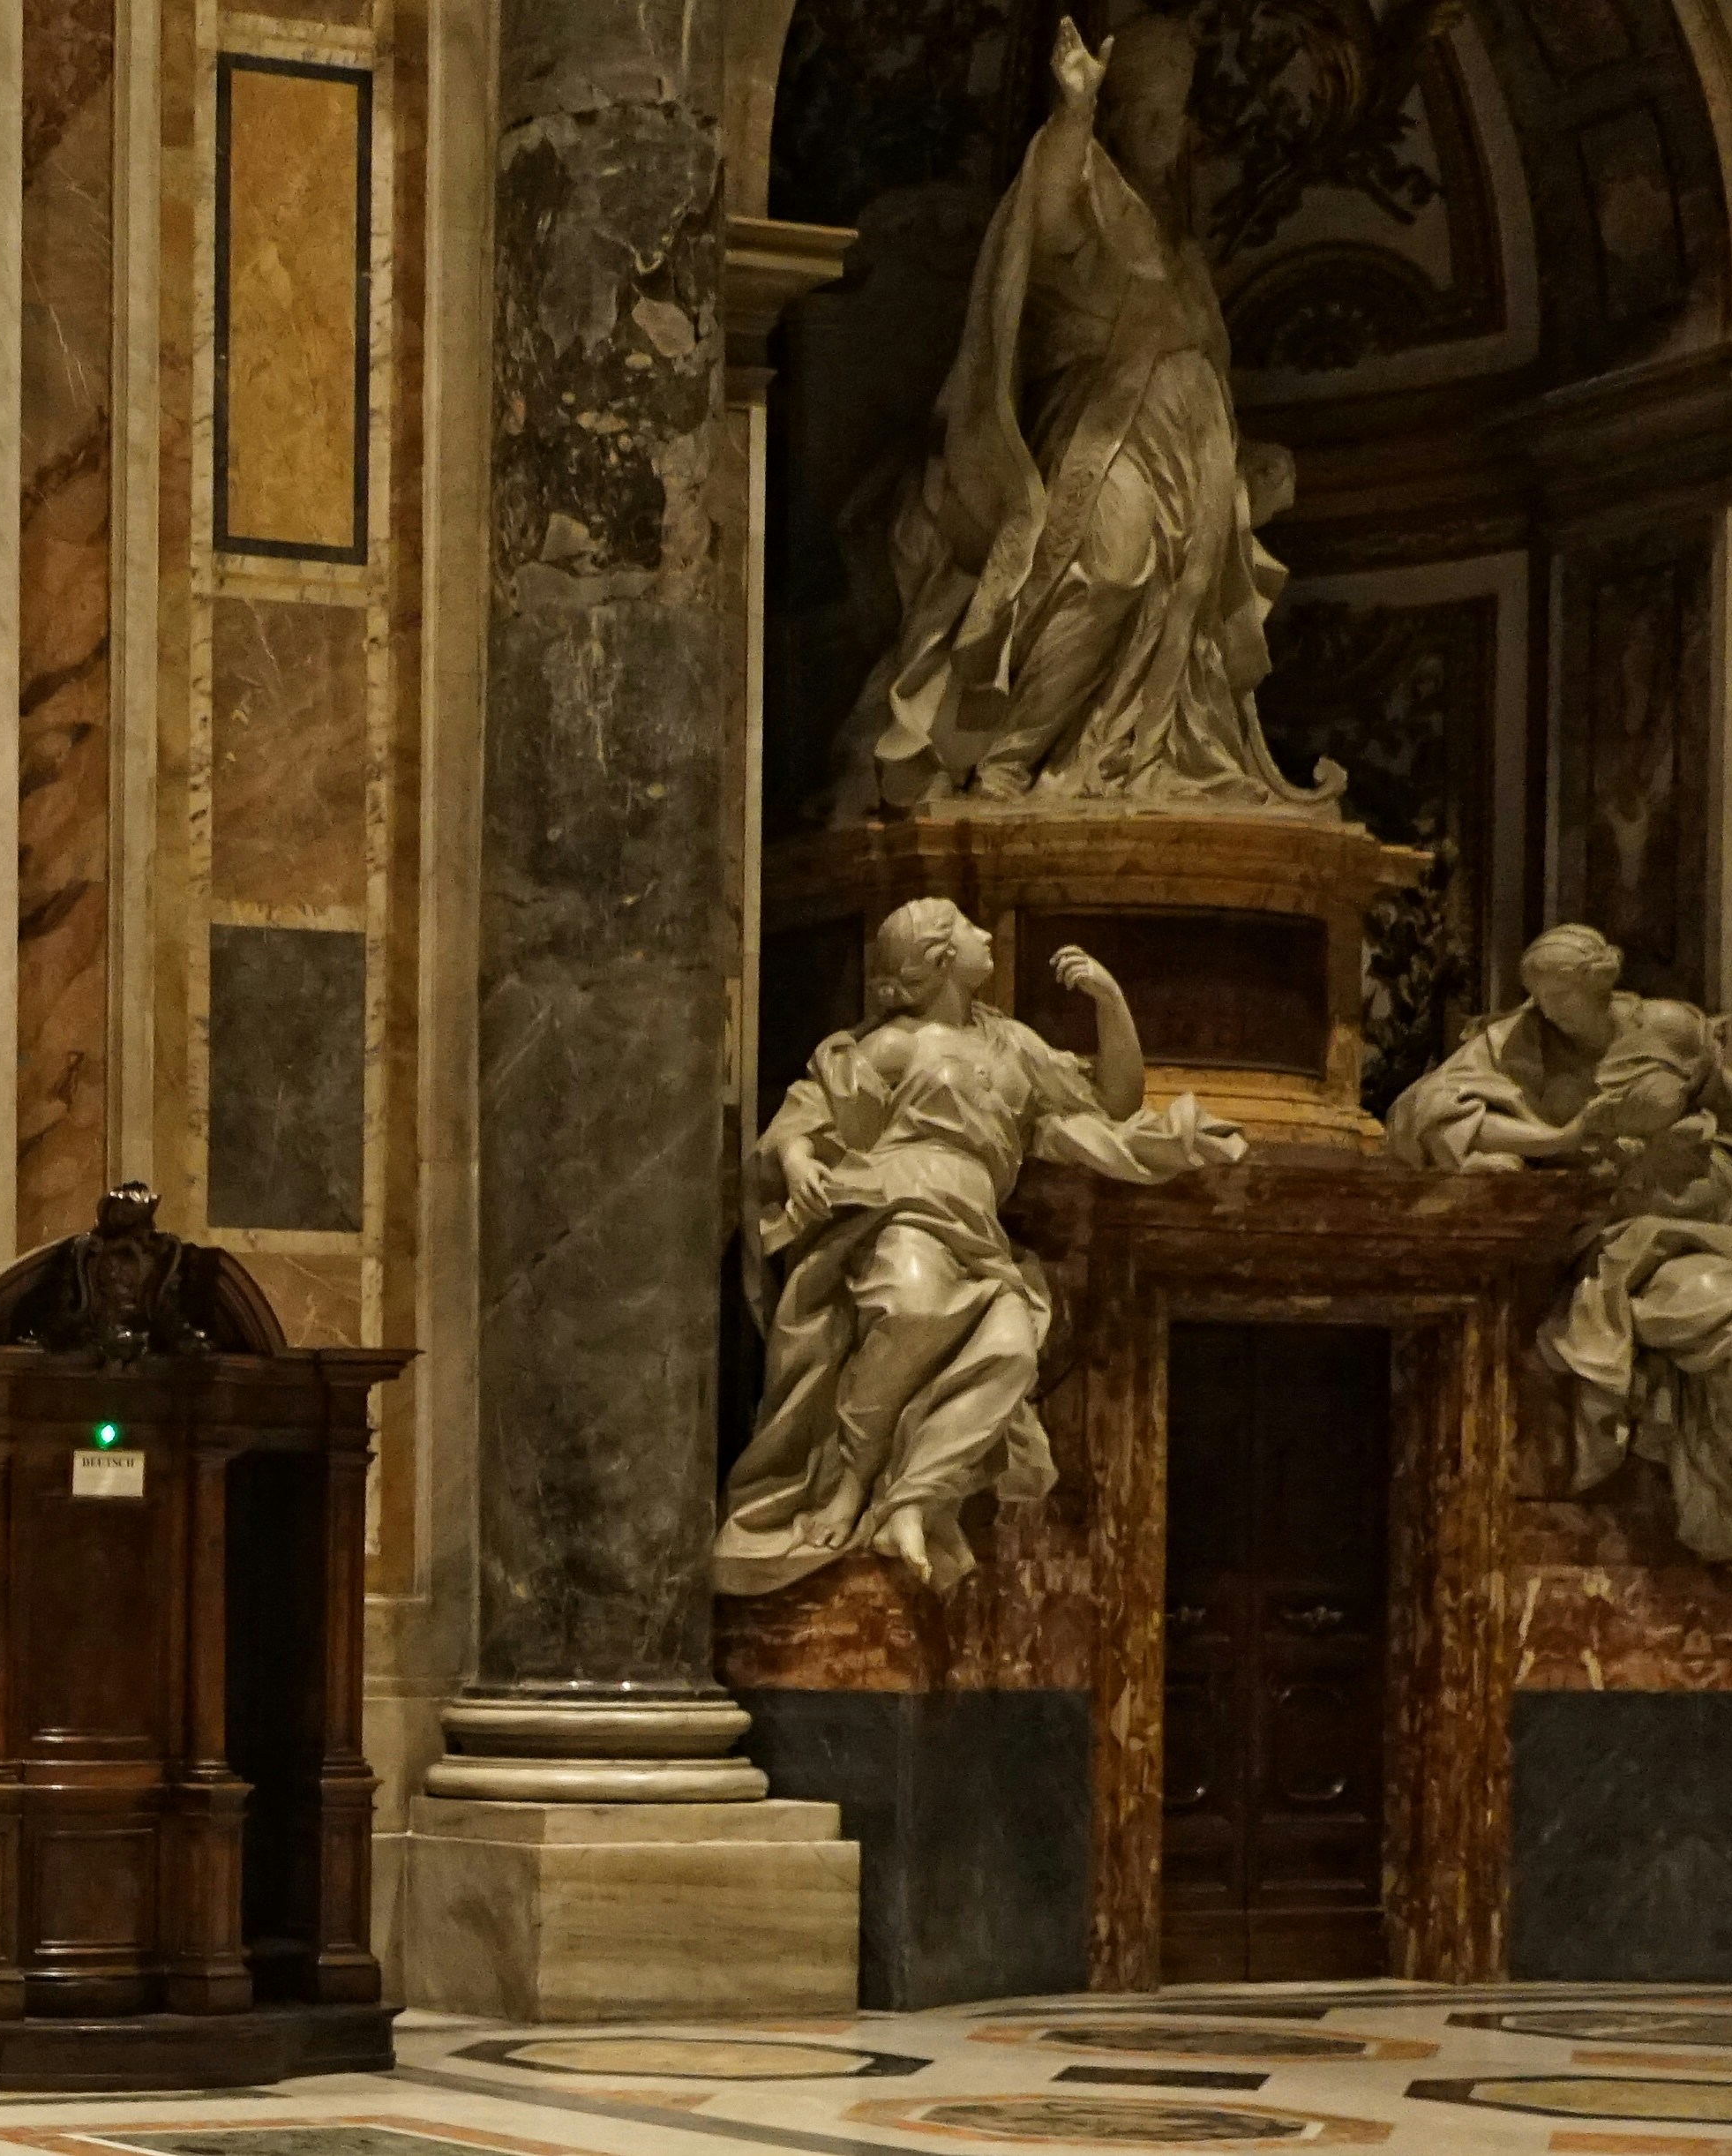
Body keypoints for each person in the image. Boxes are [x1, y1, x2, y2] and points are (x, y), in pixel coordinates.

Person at [848, 8, 1341, 815]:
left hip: (1192, 447)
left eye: (1170, 116)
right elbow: (1045, 212)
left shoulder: (1181, 252)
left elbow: (1209, 366)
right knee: (1109, 570)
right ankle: (1010, 759)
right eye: (1142, 113)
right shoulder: (1094, 208)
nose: (1159, 131)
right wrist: (1073, 112)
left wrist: (1247, 458)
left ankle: (1149, 756)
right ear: (1115, 123)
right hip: (1102, 434)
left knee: (1187, 607)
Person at [716, 898, 1242, 1597]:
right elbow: (804, 1118)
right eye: (968, 928)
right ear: (938, 958)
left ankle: (908, 1499)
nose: (987, 935)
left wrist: (1108, 1000)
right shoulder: (893, 1044)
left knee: (1011, 1352)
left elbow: (1115, 1100)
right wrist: (797, 1162)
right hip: (901, 1201)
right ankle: (846, 1485)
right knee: (908, 1307)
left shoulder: (1014, 1046)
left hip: (978, 1225)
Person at [1388, 925, 1732, 1573]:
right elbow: (1426, 1113)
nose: (1545, 1010)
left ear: (1600, 984)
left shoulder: (1663, 1027)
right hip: (1620, 1236)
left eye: (1560, 997)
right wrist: (1561, 1137)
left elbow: (1728, 1094)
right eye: (1538, 996)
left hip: (1722, 1214)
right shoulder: (1516, 1044)